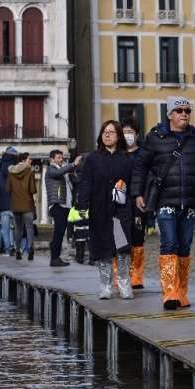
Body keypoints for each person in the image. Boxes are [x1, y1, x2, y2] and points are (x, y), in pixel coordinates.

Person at [132, 96, 195, 310]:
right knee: (169, 244)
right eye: (179, 110)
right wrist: (138, 192)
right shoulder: (155, 137)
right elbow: (140, 167)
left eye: (187, 110)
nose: (184, 114)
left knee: (185, 246)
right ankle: (169, 293)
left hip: (190, 202)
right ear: (169, 114)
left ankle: (182, 292)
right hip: (165, 201)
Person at [77, 120, 135, 299]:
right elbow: (86, 182)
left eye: (111, 132)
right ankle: (105, 285)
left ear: (118, 136)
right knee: (103, 249)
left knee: (122, 247)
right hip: (100, 208)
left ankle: (124, 284)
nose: (107, 135)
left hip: (120, 209)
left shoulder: (126, 159)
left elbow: (132, 184)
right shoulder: (93, 158)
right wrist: (83, 204)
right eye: (104, 132)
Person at [121, 117, 147, 288]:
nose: (127, 136)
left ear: (137, 135)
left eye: (130, 132)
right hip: (118, 204)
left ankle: (136, 277)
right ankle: (120, 276)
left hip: (138, 202)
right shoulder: (117, 155)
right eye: (124, 133)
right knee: (119, 239)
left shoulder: (144, 155)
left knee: (138, 239)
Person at [46, 149, 82, 267]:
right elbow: (57, 173)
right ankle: (54, 258)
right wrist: (73, 164)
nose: (61, 160)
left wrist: (74, 169)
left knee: (60, 233)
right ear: (52, 159)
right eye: (58, 158)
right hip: (58, 205)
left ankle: (56, 257)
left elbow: (75, 179)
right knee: (58, 232)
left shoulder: (62, 171)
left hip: (65, 205)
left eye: (62, 158)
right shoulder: (51, 169)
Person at [7, 153, 37, 261]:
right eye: (29, 159)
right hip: (27, 204)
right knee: (29, 228)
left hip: (16, 205)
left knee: (18, 229)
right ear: (24, 160)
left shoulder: (11, 173)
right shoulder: (29, 171)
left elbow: (8, 189)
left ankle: (18, 251)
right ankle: (30, 248)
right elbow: (33, 189)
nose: (31, 161)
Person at [0, 147, 19, 256]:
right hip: (15, 204)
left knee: (5, 230)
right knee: (15, 229)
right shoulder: (16, 170)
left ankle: (7, 250)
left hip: (3, 205)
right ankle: (15, 247)